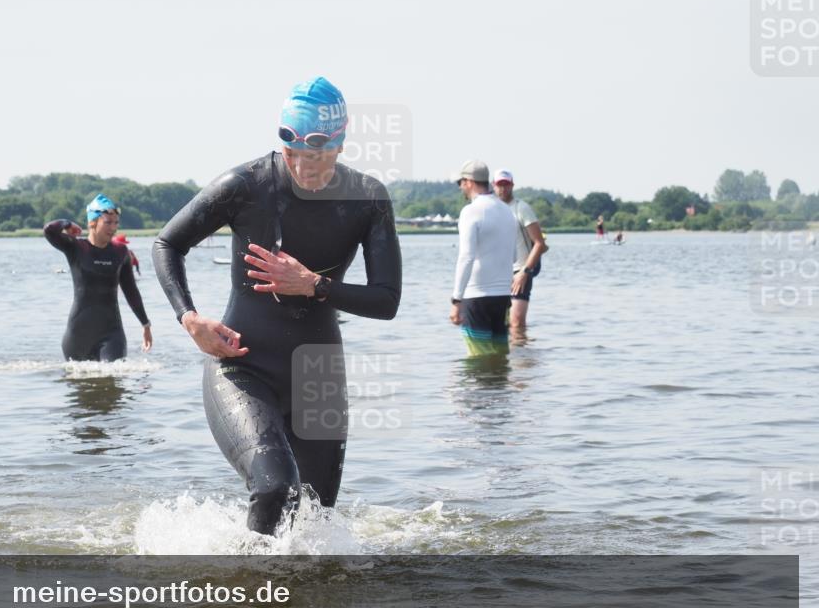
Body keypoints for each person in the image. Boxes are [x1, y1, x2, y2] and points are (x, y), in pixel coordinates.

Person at [153, 76, 402, 537]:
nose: (302, 165)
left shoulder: (367, 198)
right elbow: (168, 243)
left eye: (315, 154)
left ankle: (300, 606)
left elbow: (387, 300)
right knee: (275, 490)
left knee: (316, 521)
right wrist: (189, 318)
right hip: (243, 368)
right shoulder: (245, 185)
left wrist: (314, 285)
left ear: (340, 144)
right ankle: (251, 598)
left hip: (319, 378)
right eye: (291, 154)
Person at [44, 194, 152, 361]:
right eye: (108, 222)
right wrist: (68, 224)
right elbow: (49, 230)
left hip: (111, 334)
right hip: (77, 336)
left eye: (116, 222)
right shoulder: (76, 247)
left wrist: (145, 324)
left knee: (113, 376)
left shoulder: (120, 252)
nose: (113, 227)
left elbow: (131, 290)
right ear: (92, 223)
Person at [449, 160, 518, 356]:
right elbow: (513, 256)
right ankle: (501, 387)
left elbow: (466, 257)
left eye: (460, 182)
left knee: (479, 357)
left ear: (469, 181)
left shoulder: (470, 211)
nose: (460, 187)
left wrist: (456, 300)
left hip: (476, 296)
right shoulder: (507, 211)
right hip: (503, 296)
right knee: (499, 355)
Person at [493, 169, 547, 331]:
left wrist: (524, 272)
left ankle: (522, 355)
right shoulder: (491, 209)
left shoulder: (521, 208)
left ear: (512, 186)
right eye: (499, 185)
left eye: (506, 184)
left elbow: (540, 244)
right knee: (502, 323)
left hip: (521, 271)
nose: (503, 188)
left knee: (517, 323)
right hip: (499, 273)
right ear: (493, 186)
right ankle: (505, 355)